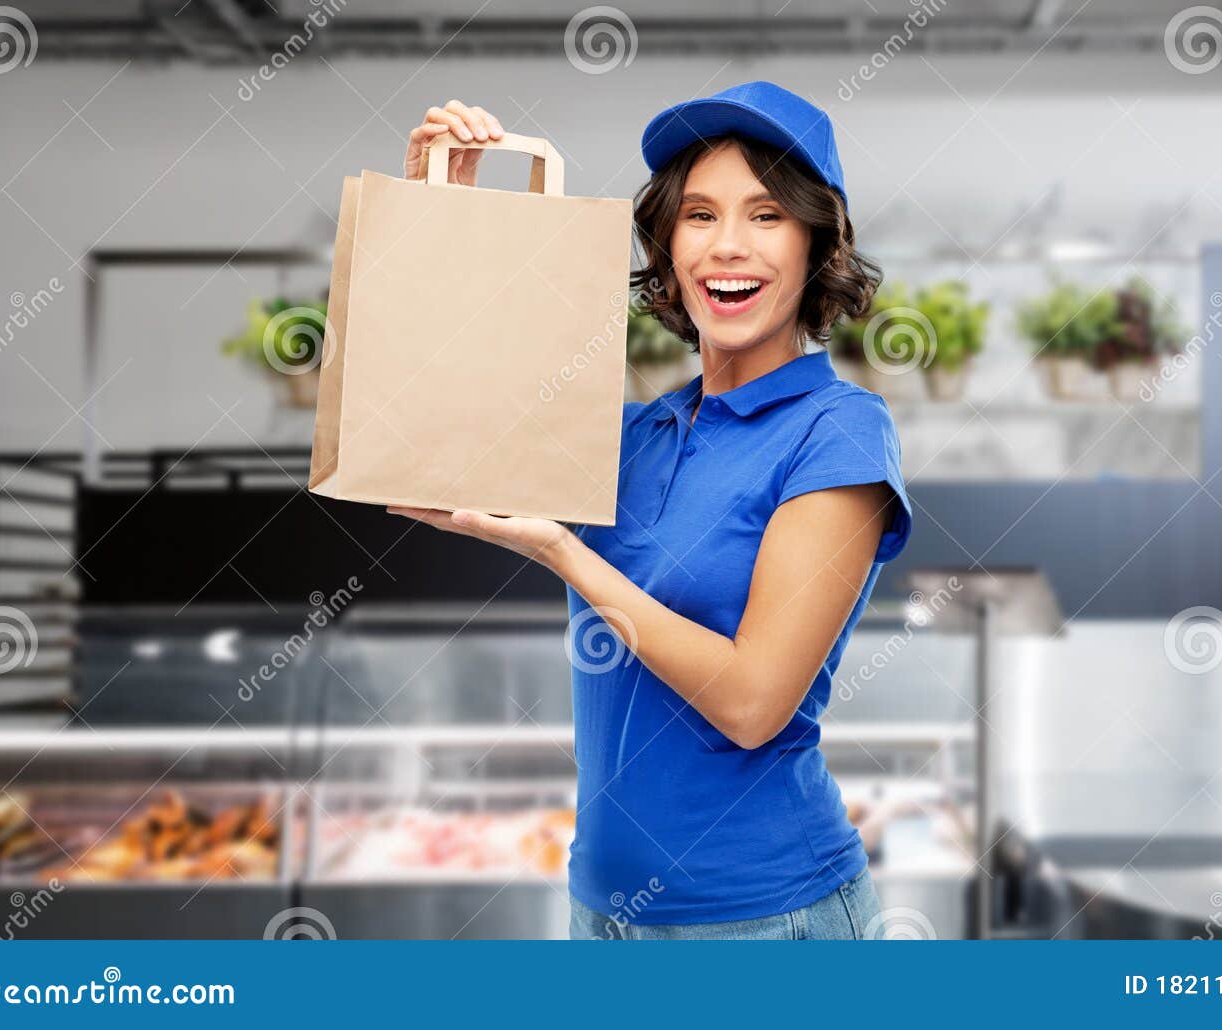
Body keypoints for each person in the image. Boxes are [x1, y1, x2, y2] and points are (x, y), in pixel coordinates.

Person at [391, 81, 913, 940]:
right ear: (667, 247)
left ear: (818, 244)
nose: (728, 247)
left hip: (765, 921)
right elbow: (423, 435)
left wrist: (566, 554)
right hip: (601, 906)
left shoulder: (840, 431)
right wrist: (438, 205)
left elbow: (752, 702)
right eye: (700, 215)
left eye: (768, 215)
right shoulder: (629, 434)